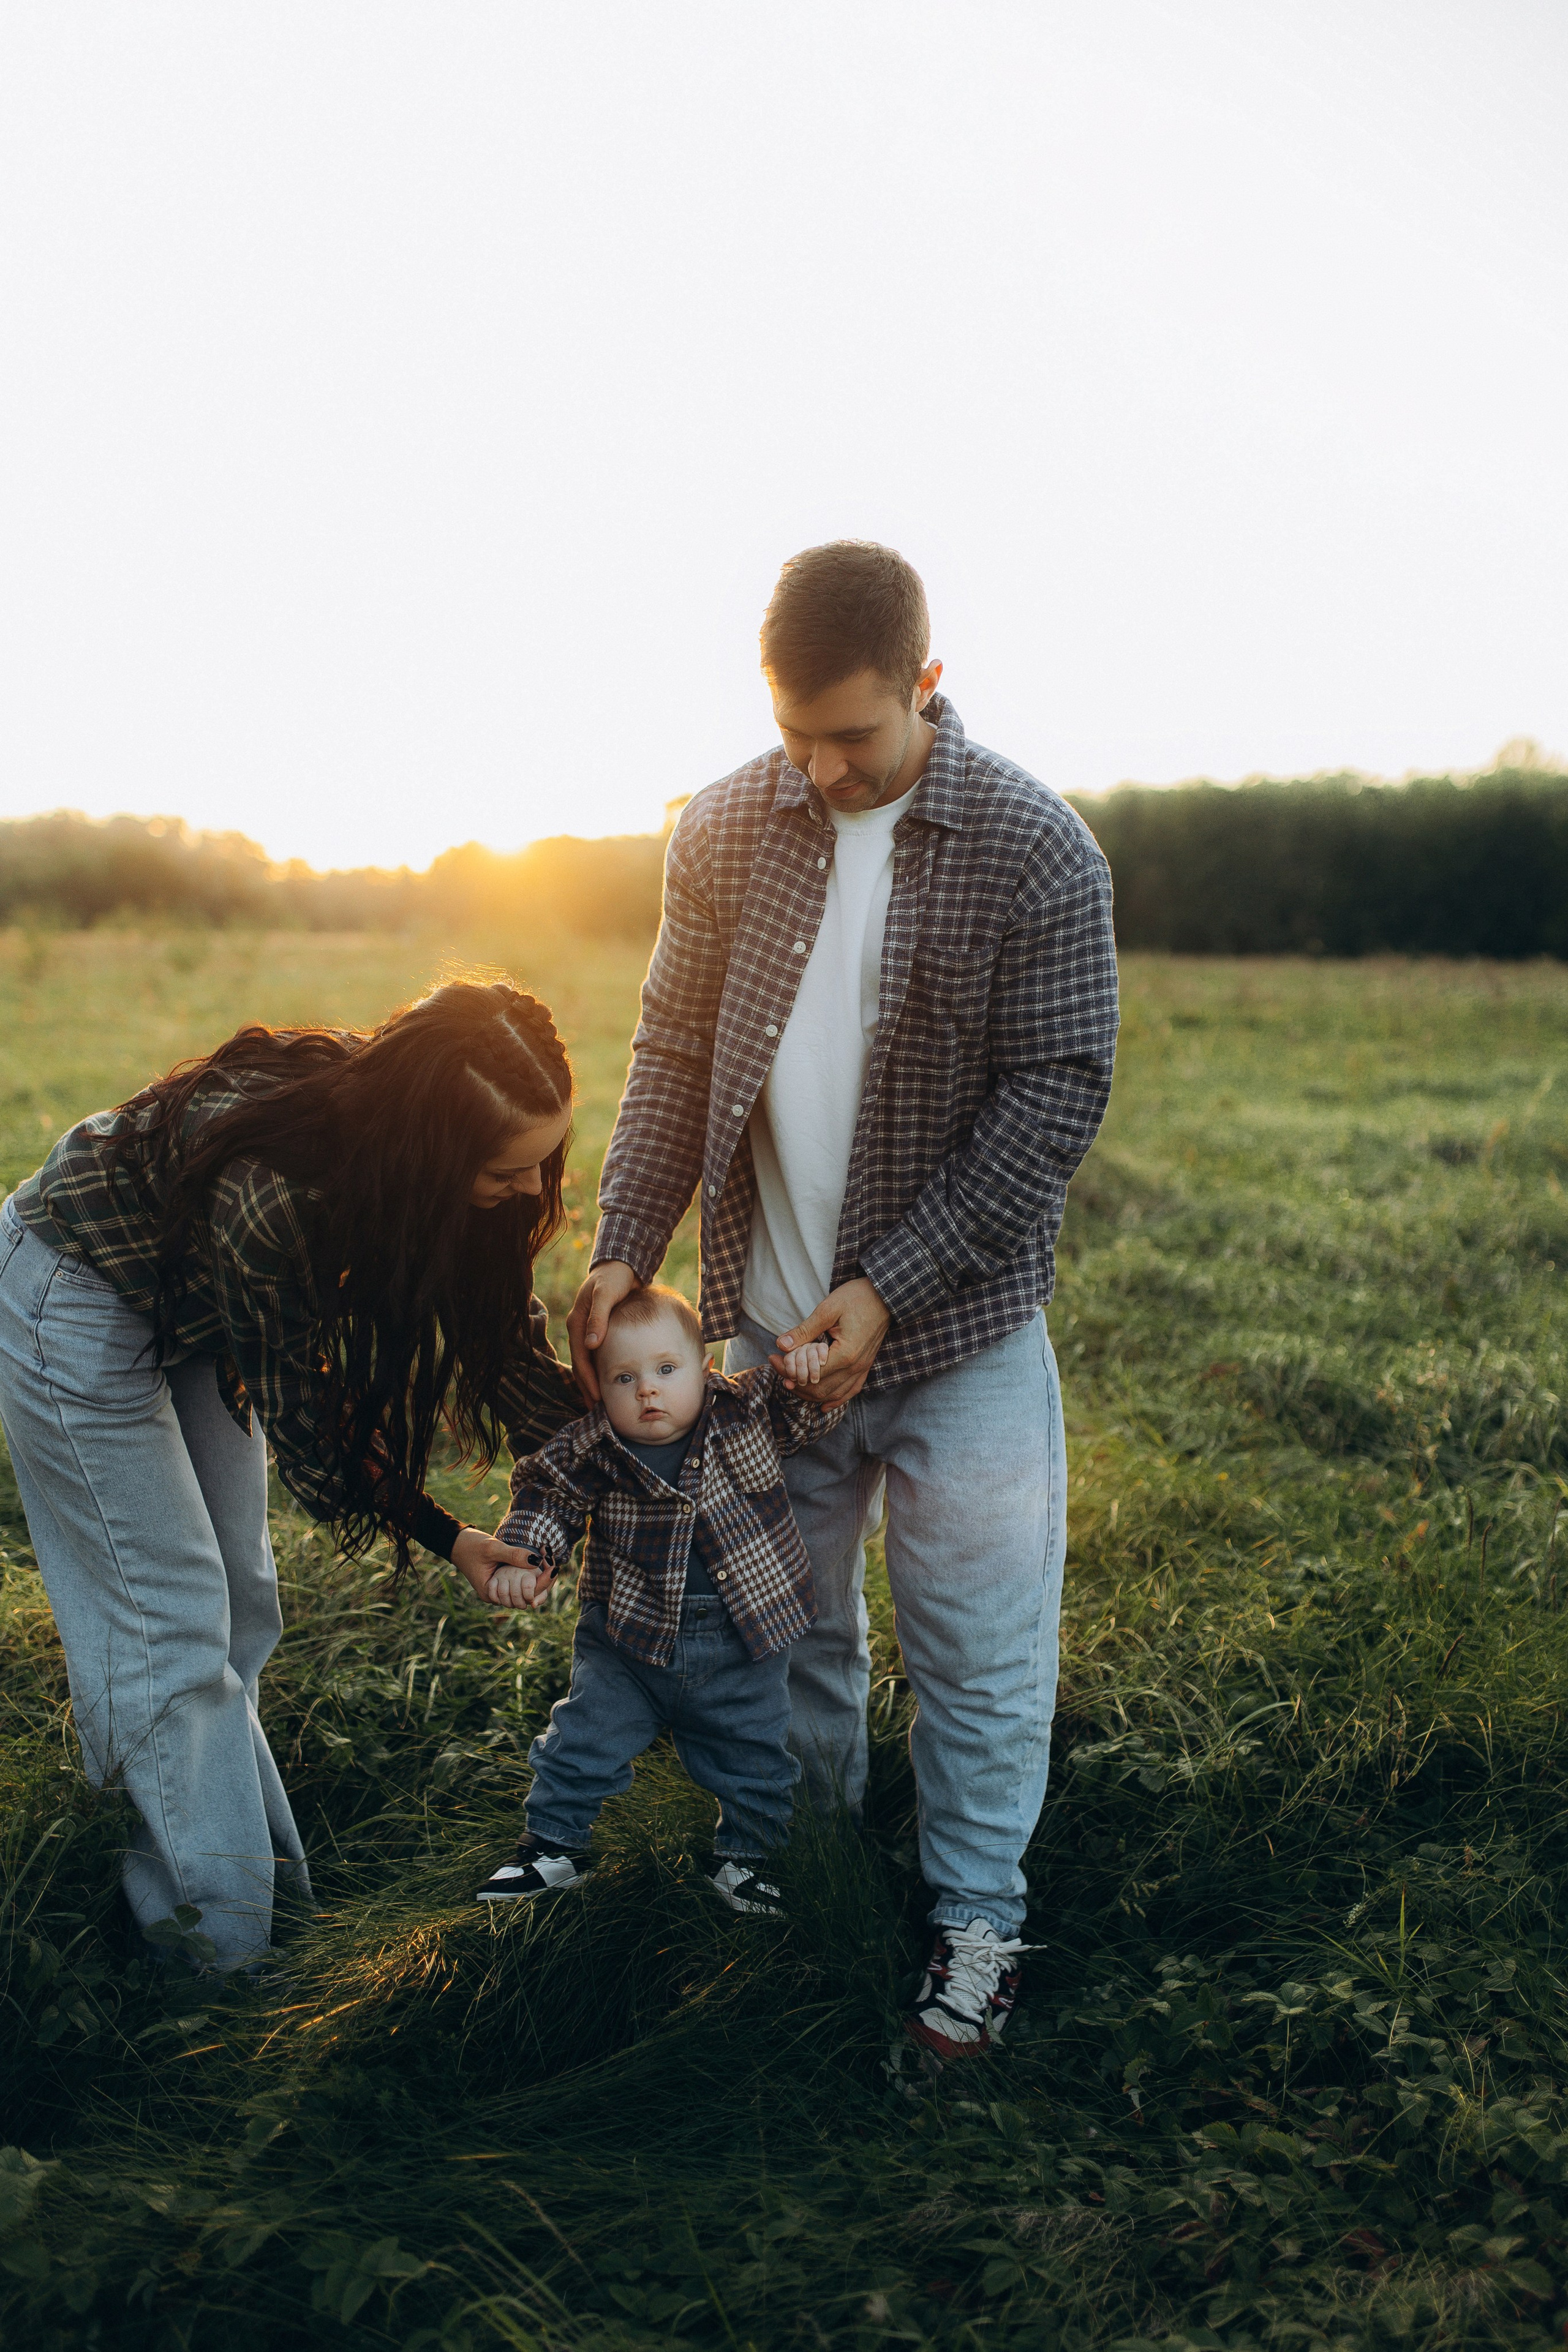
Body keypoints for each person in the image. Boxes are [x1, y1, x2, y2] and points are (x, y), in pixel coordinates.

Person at [568, 541, 1119, 2060]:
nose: (815, 766)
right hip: (762, 1339)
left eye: (852, 736)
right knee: (779, 1630)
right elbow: (673, 1049)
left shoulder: (1035, 850)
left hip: (960, 1340)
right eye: (791, 731)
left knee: (978, 1649)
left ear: (927, 686)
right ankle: (794, 1871)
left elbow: (1052, 1097)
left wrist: (888, 1287)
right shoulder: (729, 825)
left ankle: (973, 1922)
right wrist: (626, 1233)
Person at [0, 979, 584, 1971]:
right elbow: (317, 1438)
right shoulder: (276, 1190)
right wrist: (454, 1538)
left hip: (192, 1312)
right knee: (171, 1631)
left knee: (245, 1602)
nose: (534, 1192)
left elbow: (506, 1355)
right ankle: (224, 1964)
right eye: (509, 1169)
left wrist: (658, 1445)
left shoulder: (420, 1163)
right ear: (432, 1152)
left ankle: (232, 1880)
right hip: (78, 1292)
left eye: (544, 1161)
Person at [475, 1284, 839, 1915]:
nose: (647, 1391)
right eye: (624, 1378)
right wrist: (527, 1558)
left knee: (754, 1754)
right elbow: (547, 1495)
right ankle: (553, 1849)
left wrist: (811, 1373)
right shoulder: (593, 1446)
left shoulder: (745, 1408)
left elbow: (811, 1413)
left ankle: (747, 1861)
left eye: (666, 1371)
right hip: (628, 1640)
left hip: (743, 1638)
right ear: (599, 1388)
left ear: (704, 1369)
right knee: (582, 1739)